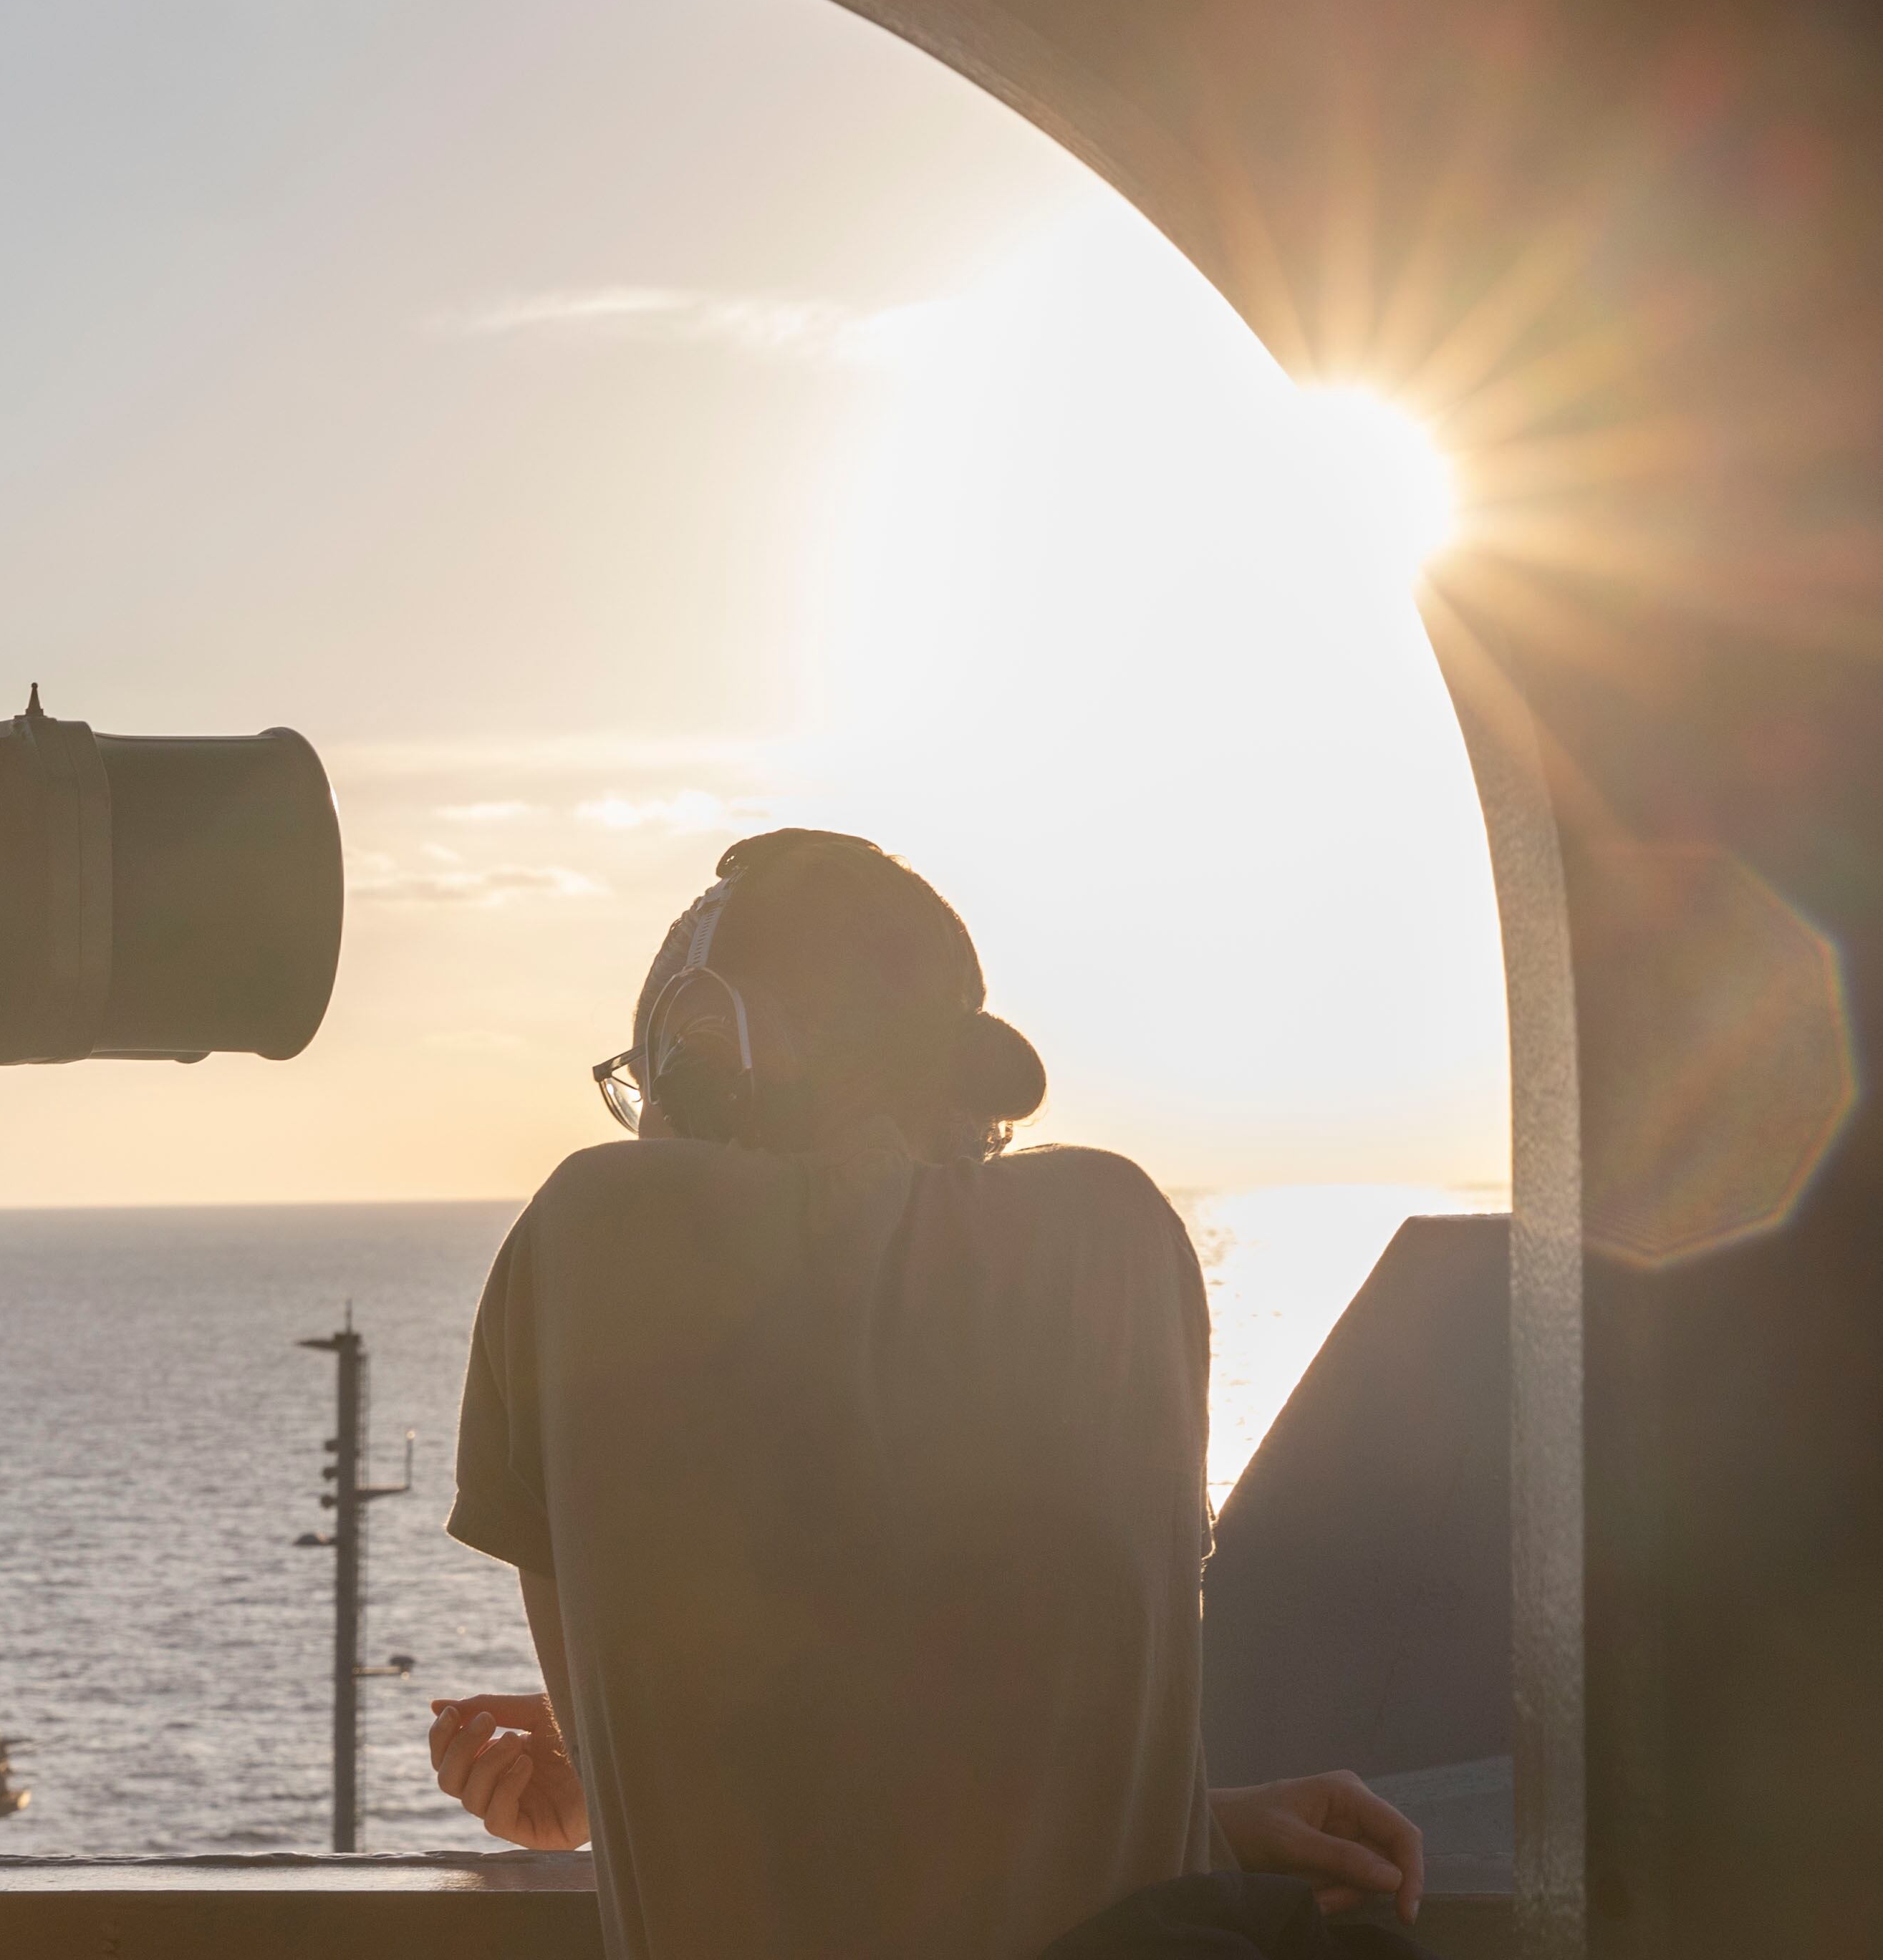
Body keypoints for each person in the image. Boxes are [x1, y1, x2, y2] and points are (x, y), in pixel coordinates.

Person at [428, 829, 1429, 1960]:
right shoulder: (1119, 1241)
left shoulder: (591, 1236)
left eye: (654, 1065)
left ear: (704, 1045)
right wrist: (1194, 1824)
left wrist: (606, 1776)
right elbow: (961, 1686)